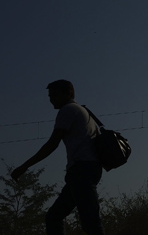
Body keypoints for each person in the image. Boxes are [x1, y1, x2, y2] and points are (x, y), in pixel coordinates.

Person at [11, 80, 105, 235]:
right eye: (49, 96)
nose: (51, 99)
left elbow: (52, 144)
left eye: (54, 95)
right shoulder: (82, 110)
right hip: (86, 170)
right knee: (55, 217)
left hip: (82, 171)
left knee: (91, 223)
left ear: (67, 93)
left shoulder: (67, 110)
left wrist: (25, 166)